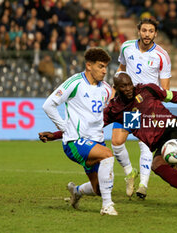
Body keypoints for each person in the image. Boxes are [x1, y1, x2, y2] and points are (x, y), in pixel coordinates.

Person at [42, 71, 177, 210]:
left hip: (173, 125)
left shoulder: (147, 89)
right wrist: (55, 134)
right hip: (158, 142)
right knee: (157, 165)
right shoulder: (115, 110)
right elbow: (87, 128)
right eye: (123, 86)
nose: (128, 89)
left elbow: (175, 96)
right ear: (116, 88)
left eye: (129, 84)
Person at [40, 47, 117, 215]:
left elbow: (95, 120)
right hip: (75, 142)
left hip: (95, 141)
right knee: (107, 155)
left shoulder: (105, 89)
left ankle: (77, 191)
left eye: (106, 67)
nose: (105, 71)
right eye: (101, 66)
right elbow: (48, 105)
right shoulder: (74, 83)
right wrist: (63, 129)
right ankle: (107, 206)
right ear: (89, 65)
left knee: (98, 188)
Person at [112, 18, 171, 200]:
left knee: (144, 143)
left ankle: (143, 185)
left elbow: (165, 88)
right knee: (116, 142)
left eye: (151, 31)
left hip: (146, 106)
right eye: (144, 30)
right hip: (127, 102)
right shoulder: (126, 47)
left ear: (156, 34)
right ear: (139, 31)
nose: (147, 34)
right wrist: (115, 93)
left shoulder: (162, 55)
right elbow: (121, 70)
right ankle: (130, 172)